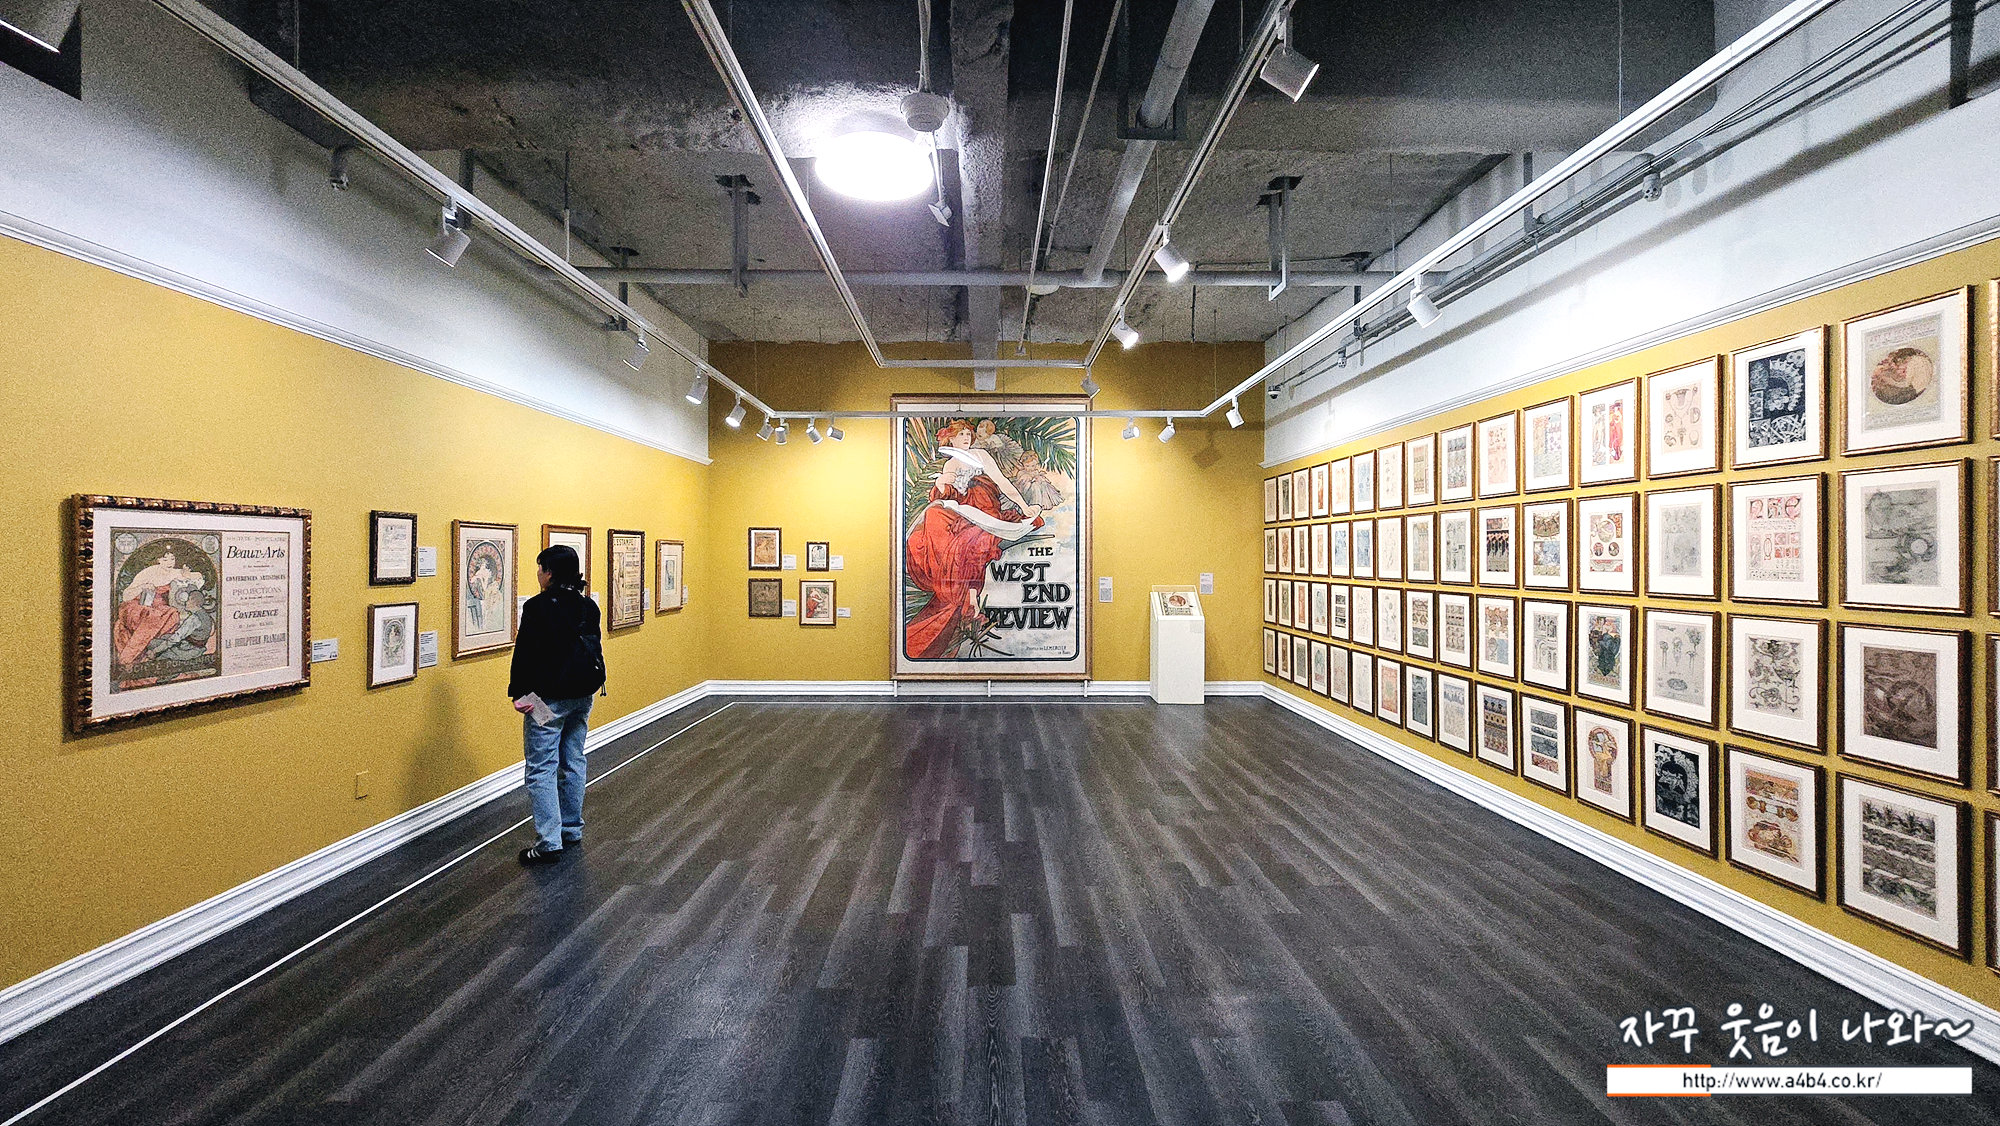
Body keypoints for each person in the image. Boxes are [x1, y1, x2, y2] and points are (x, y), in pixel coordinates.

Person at [903, 419, 1045, 659]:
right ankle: (955, 588)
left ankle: (969, 599)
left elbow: (1003, 483)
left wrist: (1024, 507)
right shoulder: (950, 463)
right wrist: (941, 484)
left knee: (971, 540)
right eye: (961, 435)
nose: (966, 438)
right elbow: (946, 493)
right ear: (951, 439)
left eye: (968, 434)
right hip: (963, 511)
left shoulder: (980, 455)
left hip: (984, 508)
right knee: (934, 515)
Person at [508, 545, 606, 865]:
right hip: (582, 695)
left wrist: (519, 693)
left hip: (547, 699)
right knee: (573, 759)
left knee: (541, 767)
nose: (538, 573)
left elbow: (525, 653)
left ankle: (549, 841)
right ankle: (571, 828)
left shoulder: (537, 607)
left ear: (549, 572)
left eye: (540, 568)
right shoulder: (588, 606)